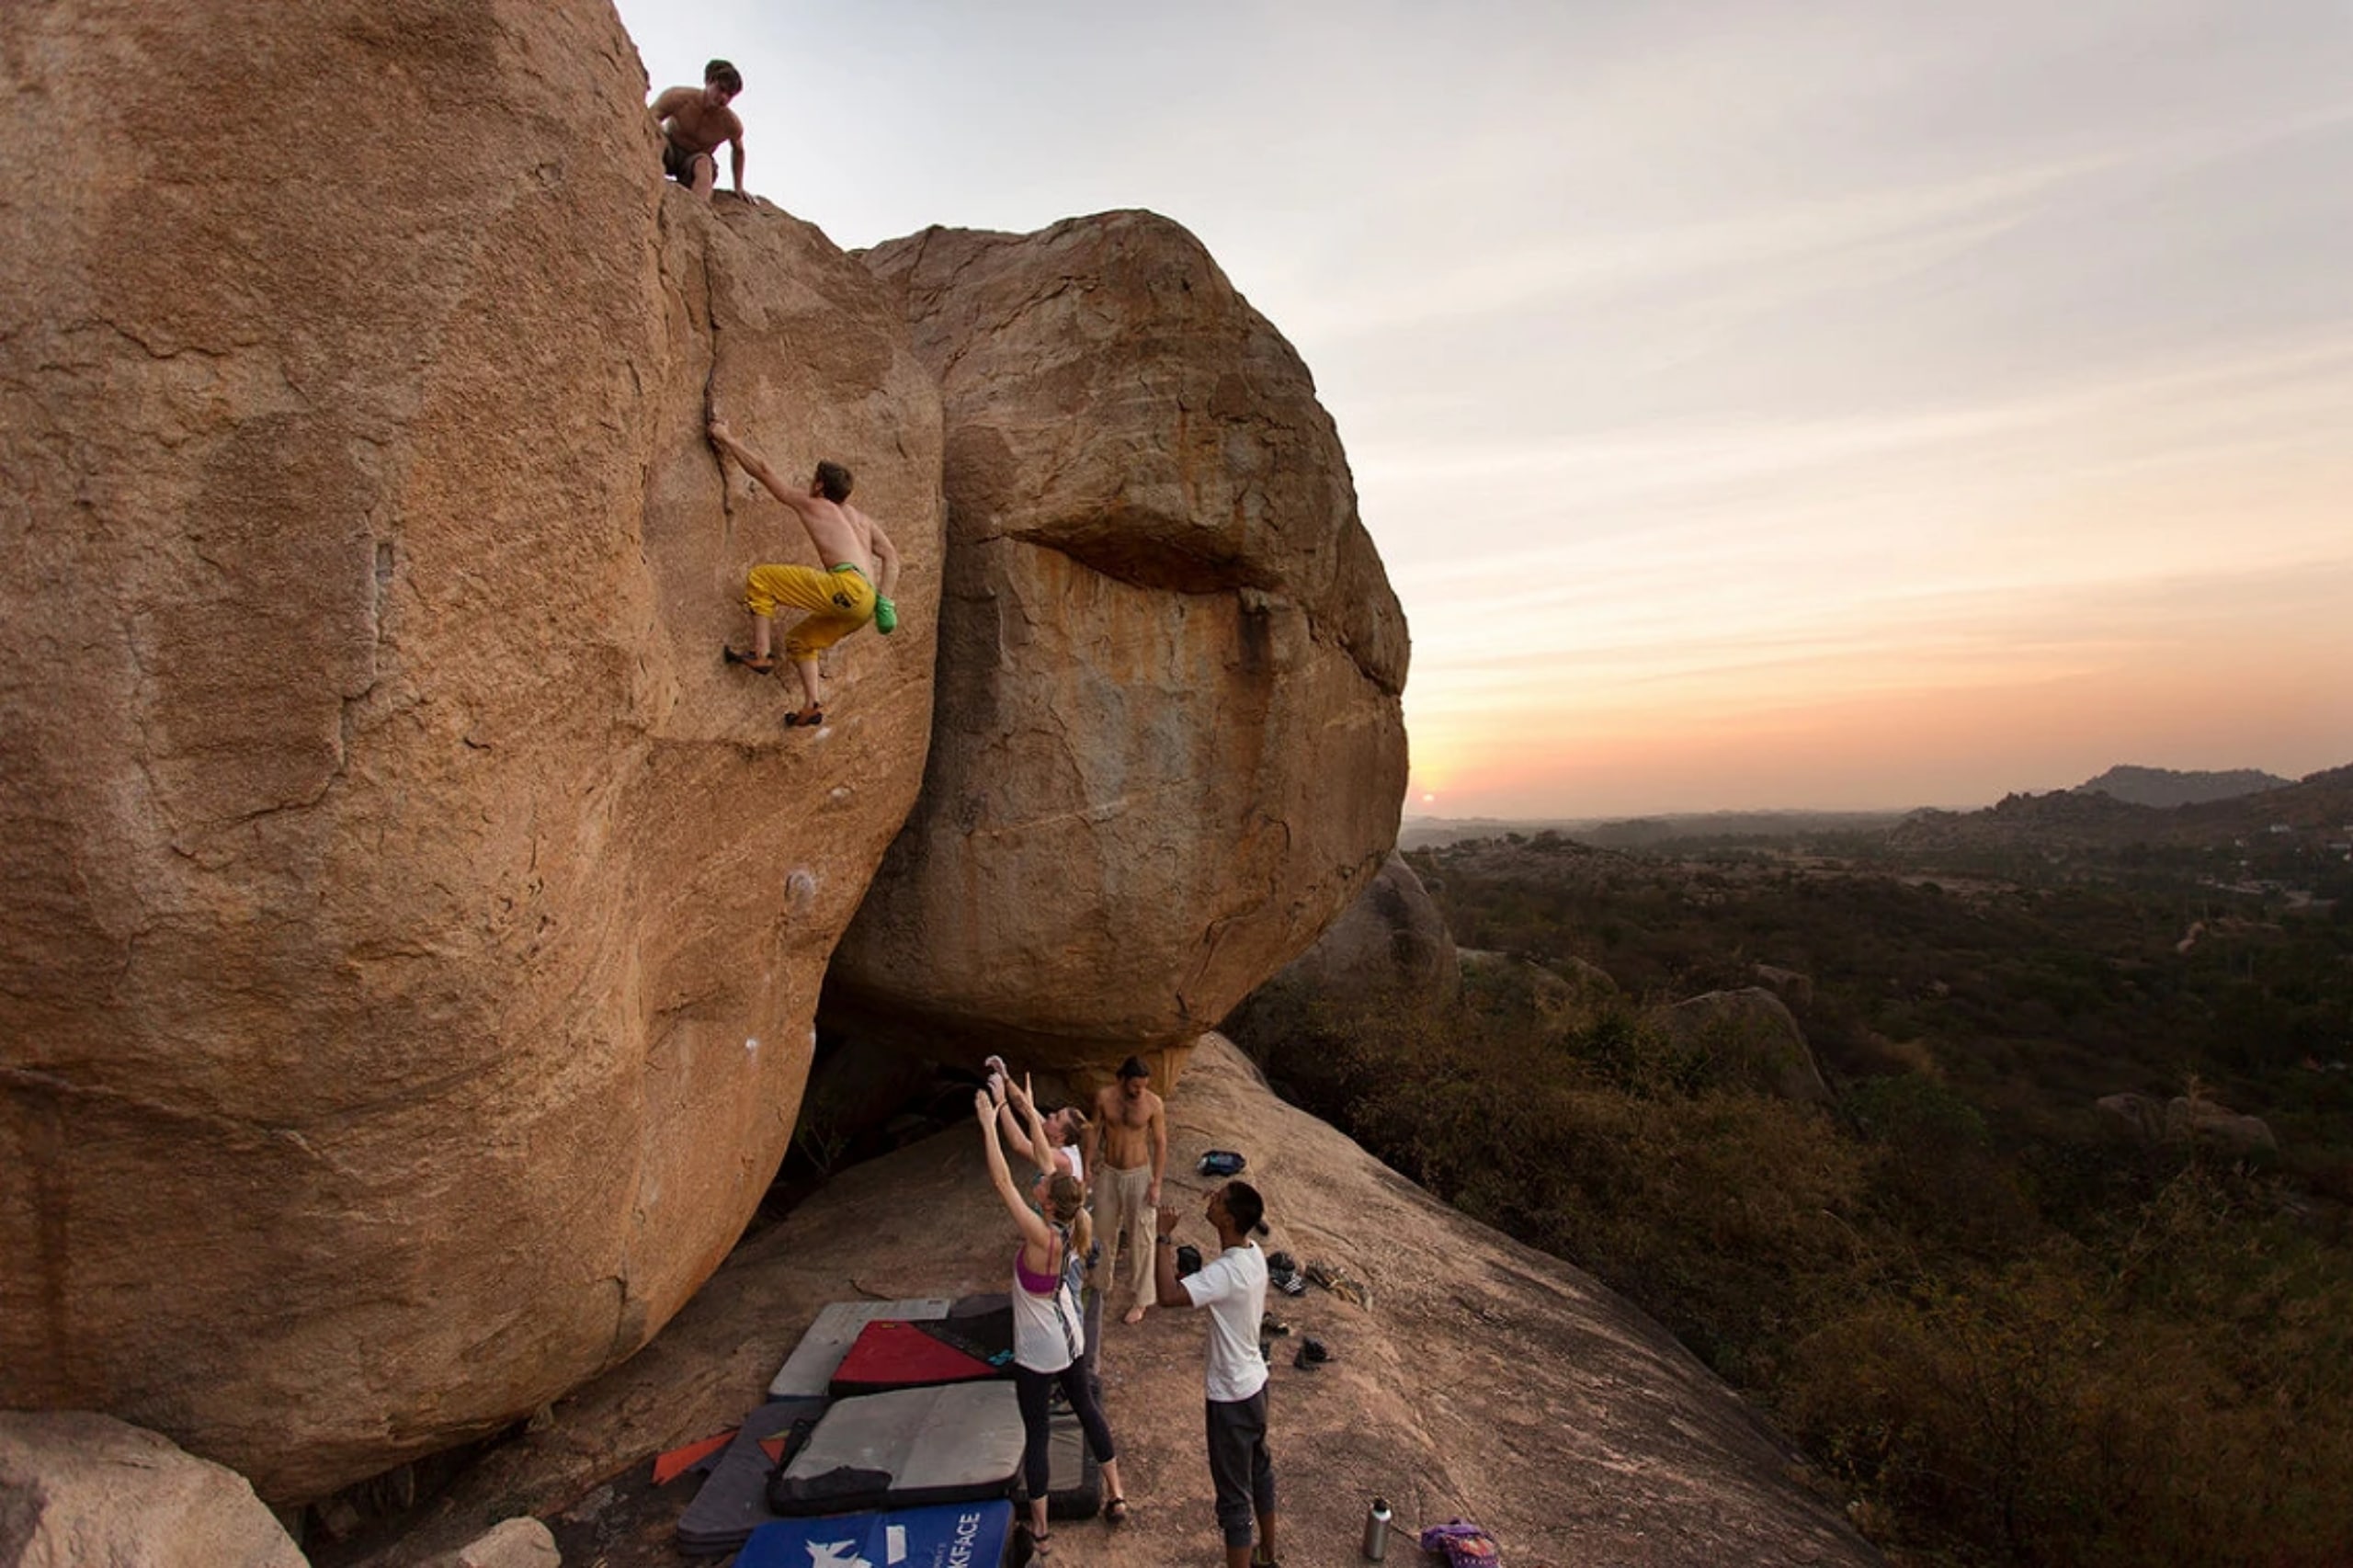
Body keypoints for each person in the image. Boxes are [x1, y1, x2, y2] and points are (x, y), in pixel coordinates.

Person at [977, 1089, 1130, 1557]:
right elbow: (1044, 1157)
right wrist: (1014, 1103)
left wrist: (986, 1123)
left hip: (1040, 1349)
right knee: (1086, 1409)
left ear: (1047, 1204)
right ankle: (1118, 1492)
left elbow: (1003, 1182)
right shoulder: (1072, 1222)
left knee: (1038, 1431)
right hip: (1070, 1335)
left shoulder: (1041, 1234)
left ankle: (1041, 1530)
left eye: (1041, 1188)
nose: (1037, 1186)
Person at [708, 417, 902, 727]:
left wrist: (727, 438)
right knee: (801, 641)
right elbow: (891, 556)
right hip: (864, 606)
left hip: (847, 587)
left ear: (820, 485)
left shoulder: (817, 505)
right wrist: (886, 601)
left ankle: (761, 653)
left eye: (814, 479)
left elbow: (765, 473)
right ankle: (811, 704)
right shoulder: (861, 520)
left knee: (762, 578)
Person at [1156, 1183, 1277, 1568]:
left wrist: (1162, 1236)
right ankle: (1269, 1555)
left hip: (1231, 1397)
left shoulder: (1226, 1272)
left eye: (1218, 1198)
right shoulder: (1254, 1254)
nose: (1210, 1197)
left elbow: (1167, 1295)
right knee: (1260, 1470)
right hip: (1256, 1384)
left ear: (1228, 1217)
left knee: (1233, 1500)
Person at [1086, 1054, 1167, 1324]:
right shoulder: (1104, 1097)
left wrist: (1156, 1183)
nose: (1139, 1091)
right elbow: (1093, 1131)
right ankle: (1099, 1284)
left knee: (1141, 1237)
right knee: (1101, 1230)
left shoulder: (1153, 1103)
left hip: (1139, 1175)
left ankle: (1142, 1299)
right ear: (1121, 1079)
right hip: (1109, 1172)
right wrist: (1086, 1166)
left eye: (1143, 1085)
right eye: (1135, 1086)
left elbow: (1160, 1143)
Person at [650, 60, 745, 199]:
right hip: (669, 148)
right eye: (721, 89)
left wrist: (738, 187)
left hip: (694, 161)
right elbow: (651, 117)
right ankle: (647, 181)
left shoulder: (730, 124)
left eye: (730, 95)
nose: (723, 97)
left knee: (704, 164)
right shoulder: (679, 98)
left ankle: (697, 211)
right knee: (657, 139)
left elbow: (739, 151)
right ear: (708, 81)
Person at [993, 1069, 1088, 1186]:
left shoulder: (1063, 1160)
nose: (1050, 1115)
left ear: (1061, 1136)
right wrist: (1006, 1077)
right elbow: (1025, 1108)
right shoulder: (1063, 1139)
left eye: (1057, 1118)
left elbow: (1019, 1144)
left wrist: (1001, 1102)